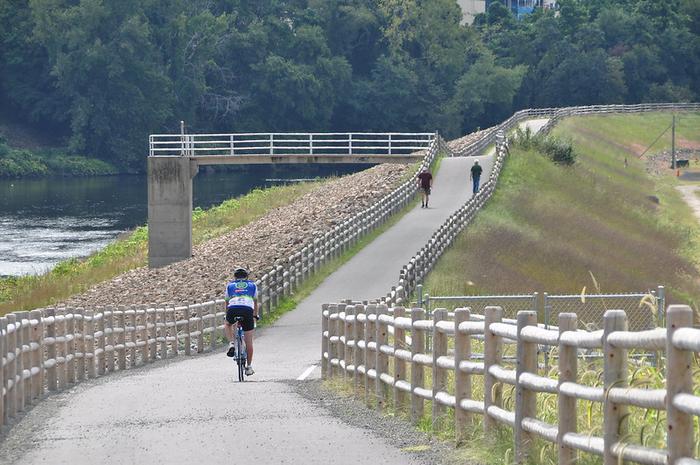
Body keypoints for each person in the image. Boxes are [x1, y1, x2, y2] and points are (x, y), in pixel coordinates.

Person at [224, 267, 258, 376]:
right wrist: (255, 316)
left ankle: (232, 343)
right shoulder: (252, 285)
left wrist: (227, 315)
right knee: (249, 341)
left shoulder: (230, 285)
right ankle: (249, 367)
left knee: (228, 324)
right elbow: (255, 303)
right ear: (246, 276)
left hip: (233, 308)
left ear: (235, 277)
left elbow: (227, 303)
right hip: (247, 309)